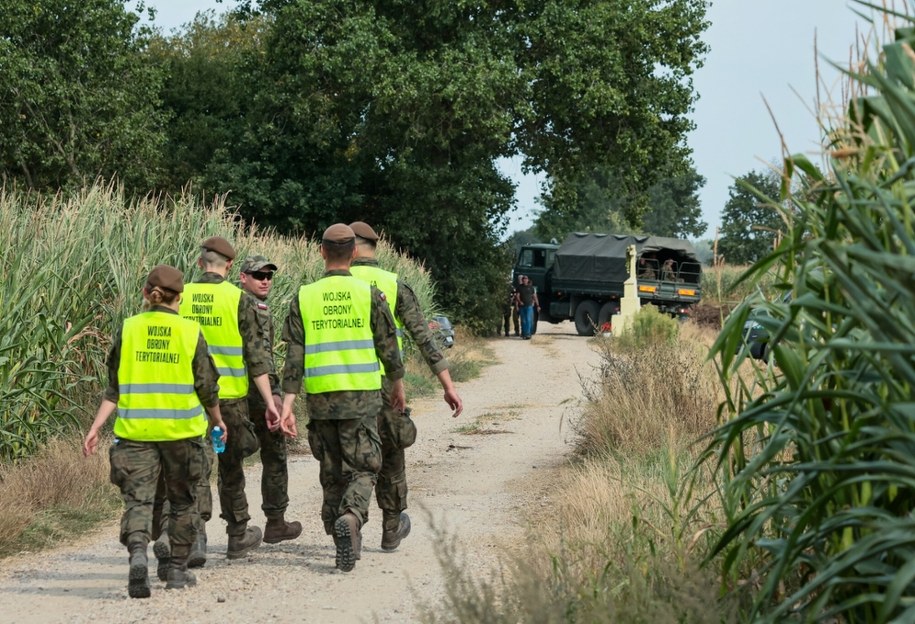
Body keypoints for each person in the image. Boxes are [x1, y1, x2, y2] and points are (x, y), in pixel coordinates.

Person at [82, 265, 227, 597]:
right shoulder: (190, 331)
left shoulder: (129, 328)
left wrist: (95, 427)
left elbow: (113, 388)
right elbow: (207, 388)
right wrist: (218, 420)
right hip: (182, 434)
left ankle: (137, 555)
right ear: (180, 297)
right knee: (183, 502)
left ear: (146, 293)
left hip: (136, 432)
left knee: (138, 501)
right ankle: (175, 571)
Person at [278, 223, 405, 572]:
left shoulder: (304, 296)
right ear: (353, 253)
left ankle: (342, 542)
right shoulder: (369, 293)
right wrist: (397, 384)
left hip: (320, 400)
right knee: (365, 466)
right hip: (362, 397)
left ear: (321, 252)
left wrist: (287, 404)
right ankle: (351, 517)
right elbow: (388, 346)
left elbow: (294, 358)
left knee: (332, 470)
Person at [348, 221, 463, 552]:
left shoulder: (334, 284)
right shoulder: (392, 283)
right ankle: (391, 526)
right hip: (386, 385)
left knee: (352, 457)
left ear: (350, 250)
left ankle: (352, 519)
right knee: (392, 452)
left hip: (342, 384)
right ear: (374, 248)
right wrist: (448, 385)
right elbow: (424, 338)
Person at [174, 236, 280, 564]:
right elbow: (256, 356)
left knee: (195, 466)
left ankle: (195, 536)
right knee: (231, 467)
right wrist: (271, 403)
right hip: (231, 399)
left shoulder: (181, 295)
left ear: (198, 263)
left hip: (187, 398)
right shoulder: (239, 299)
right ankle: (237, 535)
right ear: (231, 266)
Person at [237, 255, 303, 544]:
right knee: (274, 452)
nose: (265, 280)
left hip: (233, 390)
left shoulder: (242, 303)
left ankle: (238, 526)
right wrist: (274, 396)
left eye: (268, 276)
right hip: (254, 391)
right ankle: (275, 521)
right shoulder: (252, 307)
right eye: (257, 275)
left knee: (230, 455)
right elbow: (261, 357)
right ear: (243, 276)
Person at [517, 275, 540, 340]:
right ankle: (524, 333)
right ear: (522, 280)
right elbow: (517, 296)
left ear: (527, 280)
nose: (524, 280)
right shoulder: (519, 287)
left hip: (529, 306)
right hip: (522, 306)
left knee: (528, 320)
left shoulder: (531, 288)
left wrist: (537, 305)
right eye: (523, 279)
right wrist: (519, 301)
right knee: (523, 320)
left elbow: (534, 297)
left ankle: (528, 334)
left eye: (526, 279)